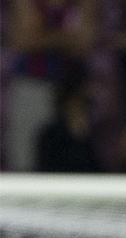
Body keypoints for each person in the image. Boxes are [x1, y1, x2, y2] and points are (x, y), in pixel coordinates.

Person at [3, 0, 98, 171]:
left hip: (72, 89)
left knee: (73, 157)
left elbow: (86, 41)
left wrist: (42, 35)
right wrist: (69, 38)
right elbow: (23, 40)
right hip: (32, 85)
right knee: (25, 160)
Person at [36, 81, 102, 173]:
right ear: (65, 107)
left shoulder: (94, 137)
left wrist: (81, 137)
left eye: (82, 106)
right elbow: (47, 171)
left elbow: (98, 173)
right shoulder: (50, 137)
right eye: (74, 106)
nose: (78, 111)